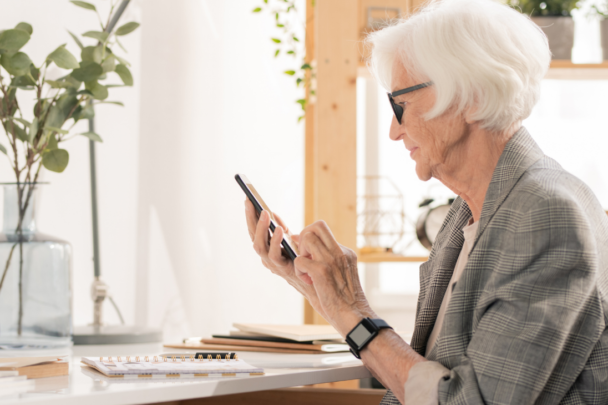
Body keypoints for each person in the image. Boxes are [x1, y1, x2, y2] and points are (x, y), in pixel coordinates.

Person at [243, 0, 608, 403]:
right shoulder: (467, 213)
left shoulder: (547, 215)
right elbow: (428, 381)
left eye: (400, 104)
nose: (393, 131)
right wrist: (320, 290)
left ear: (470, 95)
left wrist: (354, 310)